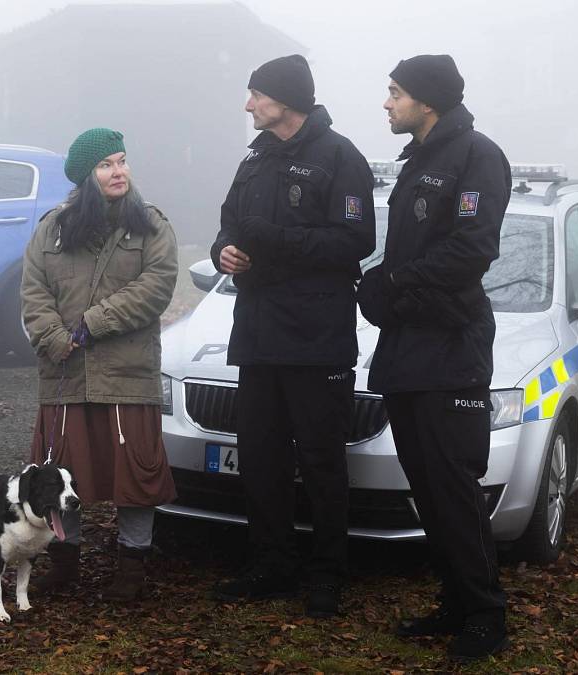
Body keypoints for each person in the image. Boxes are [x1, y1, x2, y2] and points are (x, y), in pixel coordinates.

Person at [209, 55, 375, 618]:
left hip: (316, 336)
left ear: (286, 100)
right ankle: (271, 565)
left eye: (255, 94)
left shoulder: (339, 157)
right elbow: (231, 222)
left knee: (323, 460)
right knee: (261, 457)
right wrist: (223, 251)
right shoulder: (255, 157)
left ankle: (328, 573)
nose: (248, 105)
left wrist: (274, 239)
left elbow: (355, 242)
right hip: (257, 334)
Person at [357, 55, 510, 662]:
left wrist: (393, 284)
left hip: (452, 349)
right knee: (426, 486)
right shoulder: (417, 160)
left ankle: (486, 615)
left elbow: (472, 250)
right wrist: (380, 285)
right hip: (408, 349)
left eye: (395, 93)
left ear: (428, 100)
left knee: (453, 486)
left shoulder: (476, 155)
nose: (387, 103)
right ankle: (453, 601)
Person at [20, 127, 179, 602]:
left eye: (123, 160)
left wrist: (91, 323)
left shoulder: (151, 225)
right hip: (65, 376)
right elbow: (33, 291)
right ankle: (65, 562)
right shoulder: (53, 228)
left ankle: (131, 570)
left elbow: (157, 286)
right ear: (86, 176)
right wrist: (53, 337)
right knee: (61, 474)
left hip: (127, 376)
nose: (119, 171)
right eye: (107, 164)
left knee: (136, 475)